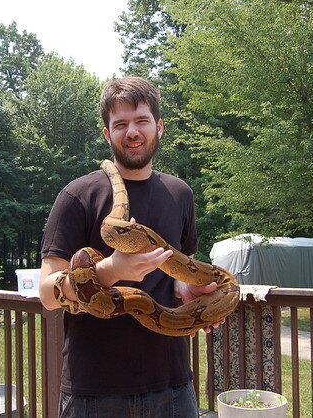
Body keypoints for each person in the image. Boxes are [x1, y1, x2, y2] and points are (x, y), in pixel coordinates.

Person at [39, 76, 221, 417]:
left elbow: (181, 264)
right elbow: (47, 294)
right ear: (108, 134)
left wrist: (186, 288)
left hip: (172, 384)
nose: (132, 132)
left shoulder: (180, 193)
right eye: (120, 124)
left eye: (141, 121)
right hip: (94, 390)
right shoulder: (77, 196)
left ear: (159, 127)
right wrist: (111, 270)